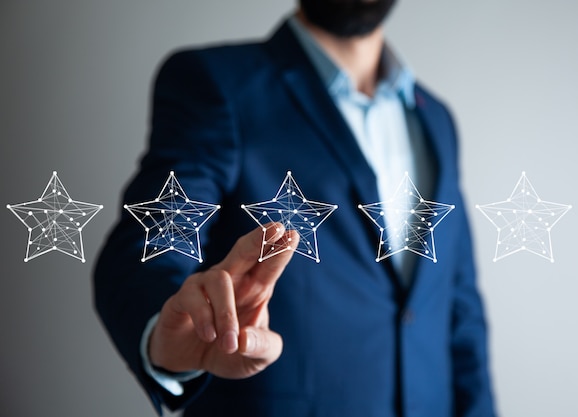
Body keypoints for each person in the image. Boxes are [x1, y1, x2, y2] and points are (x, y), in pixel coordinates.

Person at [94, 1, 498, 416]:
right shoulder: (219, 85)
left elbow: (457, 304)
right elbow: (149, 246)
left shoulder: (437, 122)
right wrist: (163, 336)